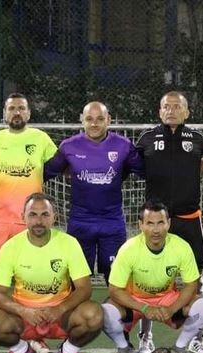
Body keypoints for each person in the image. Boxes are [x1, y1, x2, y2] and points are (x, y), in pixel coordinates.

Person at [0, 193, 103, 353]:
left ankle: (68, 351)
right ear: (23, 217)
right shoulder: (10, 247)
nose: (38, 221)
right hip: (24, 318)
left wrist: (59, 309)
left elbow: (85, 288)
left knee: (94, 315)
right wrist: (24, 311)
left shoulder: (69, 243)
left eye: (45, 214)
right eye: (32, 215)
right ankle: (20, 350)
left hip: (60, 315)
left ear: (54, 217)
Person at [0, 93, 58, 353]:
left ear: (29, 113)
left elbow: (58, 166)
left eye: (21, 108)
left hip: (30, 222)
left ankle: (35, 336)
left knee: (31, 279)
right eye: (12, 108)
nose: (17, 112)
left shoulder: (41, 139)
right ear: (5, 114)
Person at [134, 91, 203, 353]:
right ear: (159, 112)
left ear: (187, 112)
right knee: (146, 280)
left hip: (188, 219)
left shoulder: (198, 140)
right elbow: (133, 167)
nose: (171, 110)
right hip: (156, 221)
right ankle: (145, 338)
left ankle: (199, 338)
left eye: (177, 106)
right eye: (166, 106)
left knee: (197, 279)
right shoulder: (146, 139)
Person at [101, 200, 203, 353]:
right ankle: (124, 348)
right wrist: (144, 308)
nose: (155, 230)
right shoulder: (128, 249)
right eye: (150, 223)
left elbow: (192, 284)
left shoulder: (181, 247)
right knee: (105, 312)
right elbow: (114, 290)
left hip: (167, 298)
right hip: (136, 300)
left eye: (160, 223)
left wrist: (171, 308)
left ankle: (180, 348)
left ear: (169, 223)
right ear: (141, 225)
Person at [44, 101, 143, 283]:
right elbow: (45, 172)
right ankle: (79, 303)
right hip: (80, 221)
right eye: (89, 119)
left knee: (117, 277)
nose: (94, 124)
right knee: (77, 278)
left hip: (112, 221)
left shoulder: (123, 145)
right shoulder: (69, 146)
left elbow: (145, 171)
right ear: (82, 120)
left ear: (109, 120)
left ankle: (116, 303)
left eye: (100, 119)